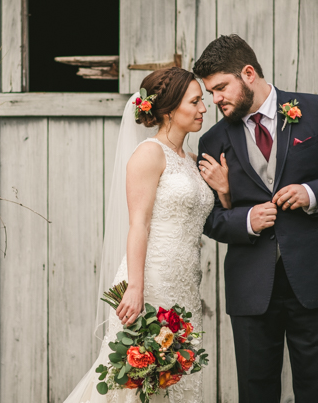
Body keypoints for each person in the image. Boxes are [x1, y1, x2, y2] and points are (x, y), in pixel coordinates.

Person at [193, 34, 318, 403]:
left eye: (221, 88)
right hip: (251, 286)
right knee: (255, 393)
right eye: (210, 93)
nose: (215, 100)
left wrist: (311, 193)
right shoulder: (212, 141)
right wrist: (245, 220)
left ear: (248, 73)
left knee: (317, 391)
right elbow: (208, 218)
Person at [63, 66, 229, 403]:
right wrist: (135, 288)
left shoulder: (192, 160)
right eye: (195, 101)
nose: (203, 108)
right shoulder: (149, 154)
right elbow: (139, 223)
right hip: (150, 283)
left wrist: (224, 192)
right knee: (136, 384)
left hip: (185, 287)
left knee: (175, 382)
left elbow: (209, 215)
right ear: (168, 109)